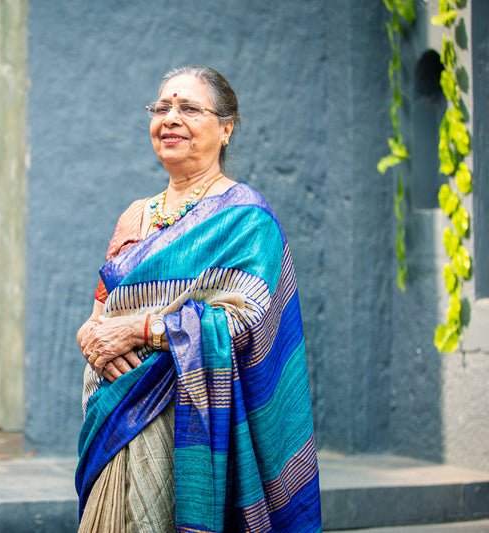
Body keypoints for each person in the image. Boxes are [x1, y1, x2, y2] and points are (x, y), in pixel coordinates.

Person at [75, 65, 322, 532]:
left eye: (188, 108)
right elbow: (98, 314)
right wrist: (92, 339)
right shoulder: (135, 217)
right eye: (161, 107)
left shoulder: (247, 219)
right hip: (118, 416)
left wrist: (140, 329)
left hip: (198, 418)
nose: (170, 118)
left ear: (226, 129)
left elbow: (244, 322)